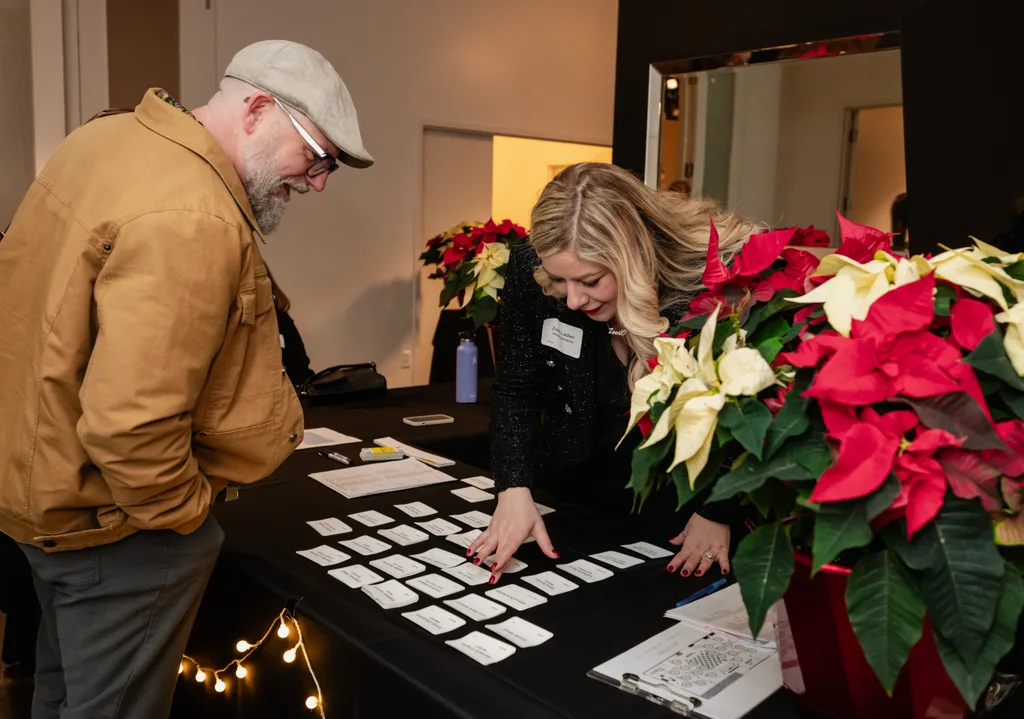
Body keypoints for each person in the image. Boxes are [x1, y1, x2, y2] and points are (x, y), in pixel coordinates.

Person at [0, 39, 372, 719]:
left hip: (41, 493)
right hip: (114, 530)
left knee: (58, 693)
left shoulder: (103, 140)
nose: (317, 181)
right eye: (317, 157)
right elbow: (130, 426)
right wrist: (185, 518)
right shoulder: (194, 214)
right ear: (258, 109)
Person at [469, 163, 759, 582]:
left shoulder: (705, 280)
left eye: (590, 280)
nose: (571, 299)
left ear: (631, 256)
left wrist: (717, 509)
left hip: (688, 497)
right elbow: (518, 386)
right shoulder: (526, 266)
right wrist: (513, 487)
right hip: (580, 487)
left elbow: (750, 405)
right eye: (558, 280)